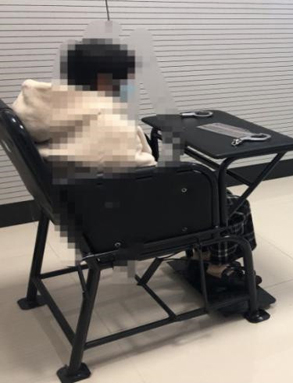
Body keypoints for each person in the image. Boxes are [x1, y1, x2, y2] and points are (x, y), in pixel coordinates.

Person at [12, 39, 255, 287]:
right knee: (232, 204)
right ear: (104, 79)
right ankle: (218, 266)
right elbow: (143, 173)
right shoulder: (106, 123)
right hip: (112, 216)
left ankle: (203, 254)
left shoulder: (46, 108)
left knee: (200, 185)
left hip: (75, 206)